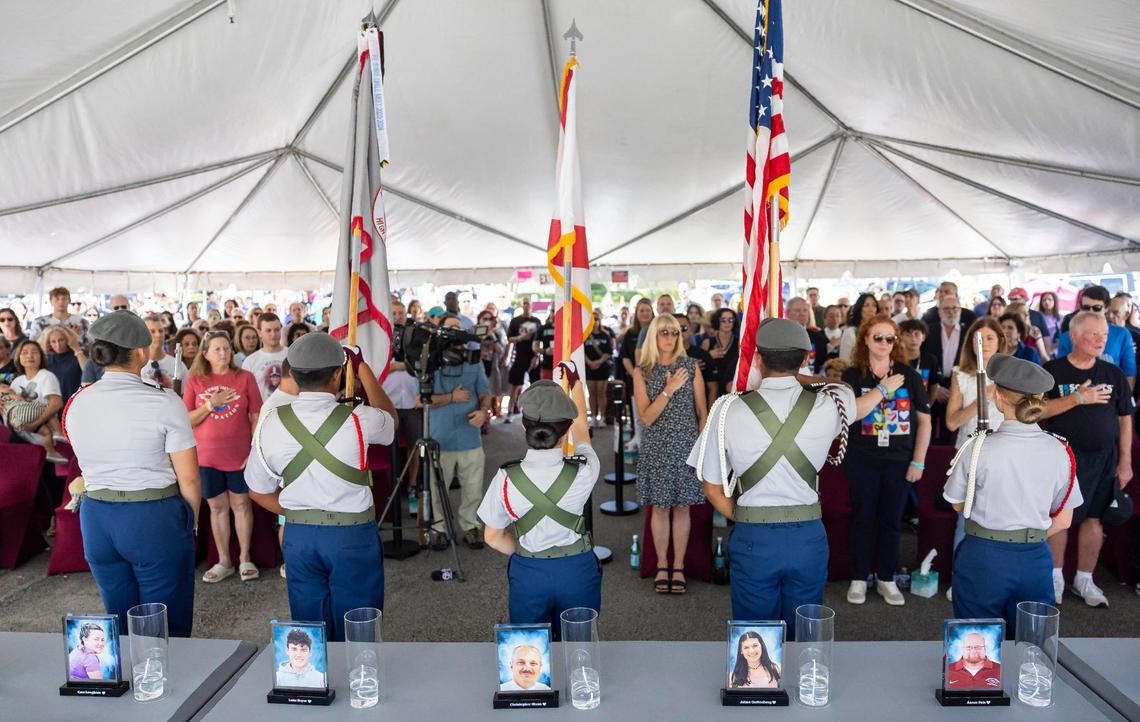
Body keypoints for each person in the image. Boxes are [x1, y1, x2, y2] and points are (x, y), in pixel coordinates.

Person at [693, 318, 894, 633]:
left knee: (754, 638)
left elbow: (712, 489)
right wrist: (882, 389)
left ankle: (759, 683)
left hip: (753, 535)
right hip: (806, 535)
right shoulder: (832, 402)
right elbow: (851, 397)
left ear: (758, 358)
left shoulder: (725, 409)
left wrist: (745, 515)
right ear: (805, 359)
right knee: (805, 630)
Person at [245, 333, 396, 641]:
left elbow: (257, 490)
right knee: (359, 626)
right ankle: (359, 682)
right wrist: (362, 367)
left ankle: (316, 686)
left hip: (300, 535)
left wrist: (300, 512)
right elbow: (390, 422)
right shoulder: (359, 418)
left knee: (310, 629)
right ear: (338, 373)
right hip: (351, 534)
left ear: (292, 374)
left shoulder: (272, 421)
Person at [62, 311, 200, 637]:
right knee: (166, 625)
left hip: (97, 517)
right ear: (140, 353)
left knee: (119, 621)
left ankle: (127, 682)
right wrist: (189, 522)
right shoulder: (165, 401)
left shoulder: (77, 402)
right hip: (152, 516)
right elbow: (190, 479)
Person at [944, 354, 1081, 629]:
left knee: (976, 645)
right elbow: (1064, 520)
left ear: (997, 397)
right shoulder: (1061, 451)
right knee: (1032, 647)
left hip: (983, 557)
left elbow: (958, 505)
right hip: (1035, 557)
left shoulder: (977, 447)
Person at [479, 375, 601, 628]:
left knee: (529, 653)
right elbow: (583, 437)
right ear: (566, 428)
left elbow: (492, 537)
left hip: (529, 572)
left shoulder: (505, 478)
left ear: (524, 427)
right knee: (579, 645)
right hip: (577, 571)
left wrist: (527, 554)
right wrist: (576, 385)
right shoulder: (585, 470)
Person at [1042, 312, 1134, 607]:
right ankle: (1054, 578)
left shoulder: (1113, 374)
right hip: (1063, 457)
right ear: (1075, 336)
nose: (1101, 340)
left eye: (1104, 335)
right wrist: (1077, 399)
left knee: (1094, 517)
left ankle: (1084, 579)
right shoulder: (1052, 371)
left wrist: (1125, 461)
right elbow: (1037, 411)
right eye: (1094, 334)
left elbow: (1125, 420)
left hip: (1104, 459)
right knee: (1060, 518)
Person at [842, 314, 931, 606]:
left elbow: (925, 421)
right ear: (866, 339)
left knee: (892, 521)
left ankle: (886, 578)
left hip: (899, 459)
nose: (884, 343)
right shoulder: (853, 376)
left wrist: (918, 462)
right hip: (861, 457)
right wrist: (882, 390)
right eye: (877, 337)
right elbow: (851, 413)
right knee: (862, 518)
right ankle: (859, 577)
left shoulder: (910, 375)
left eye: (889, 338)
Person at [634, 313, 707, 594]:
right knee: (661, 508)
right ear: (654, 335)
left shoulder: (691, 366)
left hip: (686, 447)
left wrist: (702, 449)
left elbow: (702, 412)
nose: (670, 337)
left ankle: (678, 566)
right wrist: (668, 390)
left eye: (675, 332)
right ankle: (662, 565)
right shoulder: (642, 371)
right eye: (664, 332)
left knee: (682, 507)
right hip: (657, 447)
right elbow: (647, 417)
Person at [182, 331, 262, 583]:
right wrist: (209, 404)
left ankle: (245, 558)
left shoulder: (245, 378)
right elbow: (186, 418)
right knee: (217, 507)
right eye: (217, 349)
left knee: (241, 505)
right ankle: (224, 560)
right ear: (205, 353)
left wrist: (254, 449)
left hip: (239, 455)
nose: (223, 353)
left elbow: (256, 415)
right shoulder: (195, 380)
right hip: (207, 458)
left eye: (227, 348)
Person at [419, 314, 493, 549]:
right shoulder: (428, 361)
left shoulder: (473, 360)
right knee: (436, 487)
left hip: (470, 438)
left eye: (459, 330)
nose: (455, 334)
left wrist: (484, 411)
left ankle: (471, 526)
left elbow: (485, 394)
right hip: (439, 437)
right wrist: (452, 398)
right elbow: (420, 400)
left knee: (473, 488)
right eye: (450, 329)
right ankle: (439, 528)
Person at [1056, 285, 1136, 390]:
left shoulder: (1122, 334)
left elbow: (1129, 373)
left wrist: (1125, 401)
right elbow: (1062, 373)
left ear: (1107, 308)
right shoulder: (1068, 336)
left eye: (1096, 308)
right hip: (1077, 397)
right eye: (1086, 307)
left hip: (1111, 398)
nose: (1090, 312)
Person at [1, 339, 67, 463]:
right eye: (25, 352)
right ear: (18, 357)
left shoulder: (46, 376)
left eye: (34, 352)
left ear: (41, 357)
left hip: (41, 440)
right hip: (20, 437)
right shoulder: (17, 381)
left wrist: (35, 424)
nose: (29, 356)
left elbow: (56, 403)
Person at [505, 297, 540, 420]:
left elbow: (539, 341)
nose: (526, 306)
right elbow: (509, 339)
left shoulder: (537, 321)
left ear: (532, 306)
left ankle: (536, 413)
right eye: (524, 303)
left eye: (528, 304)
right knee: (515, 385)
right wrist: (521, 338)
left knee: (536, 385)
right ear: (522, 305)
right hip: (519, 355)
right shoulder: (515, 321)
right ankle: (509, 412)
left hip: (533, 356)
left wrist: (536, 356)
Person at [242, 312, 287, 401]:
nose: (273, 334)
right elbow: (245, 394)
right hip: (263, 413)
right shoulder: (250, 361)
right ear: (259, 332)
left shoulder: (292, 356)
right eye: (268, 330)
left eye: (277, 330)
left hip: (289, 411)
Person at [583, 309, 615, 426]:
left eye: (596, 319)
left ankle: (602, 417)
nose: (594, 321)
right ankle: (593, 417)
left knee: (601, 393)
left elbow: (609, 351)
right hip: (589, 367)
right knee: (592, 393)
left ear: (600, 320)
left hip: (602, 368)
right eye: (592, 319)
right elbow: (582, 352)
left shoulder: (605, 335)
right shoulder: (585, 335)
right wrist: (590, 362)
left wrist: (599, 362)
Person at [39, 325, 85, 403]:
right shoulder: (47, 358)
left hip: (74, 402)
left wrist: (77, 349)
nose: (58, 345)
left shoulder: (76, 355)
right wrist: (44, 352)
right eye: (53, 341)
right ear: (48, 343)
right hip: (53, 405)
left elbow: (87, 371)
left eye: (61, 340)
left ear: (67, 339)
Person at [140, 315, 187, 390]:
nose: (158, 335)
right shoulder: (136, 366)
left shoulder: (178, 365)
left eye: (161, 331)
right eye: (152, 331)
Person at [704, 308, 740, 402]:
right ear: (717, 321)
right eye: (723, 320)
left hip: (732, 390)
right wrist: (708, 356)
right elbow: (700, 366)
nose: (727, 323)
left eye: (730, 320)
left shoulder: (739, 343)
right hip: (711, 391)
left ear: (734, 322)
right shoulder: (707, 343)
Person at [785, 297, 829, 373]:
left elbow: (823, 362)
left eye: (805, 310)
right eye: (798, 310)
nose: (802, 314)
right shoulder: (781, 336)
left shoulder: (818, 336)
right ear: (788, 313)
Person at [838, 293, 878, 362]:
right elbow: (844, 361)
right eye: (866, 305)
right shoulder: (850, 333)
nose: (871, 309)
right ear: (859, 309)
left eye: (874, 305)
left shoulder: (880, 331)